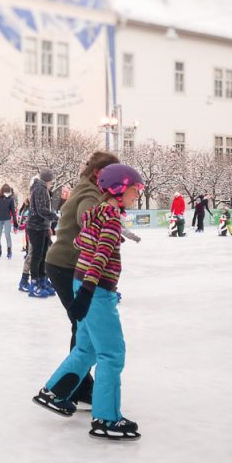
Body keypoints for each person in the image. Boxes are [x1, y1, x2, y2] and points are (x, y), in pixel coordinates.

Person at [32, 163, 145, 441]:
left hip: (82, 282)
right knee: (112, 353)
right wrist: (89, 291)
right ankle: (107, 418)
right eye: (135, 190)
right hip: (96, 290)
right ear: (119, 190)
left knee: (87, 348)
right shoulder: (109, 217)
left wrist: (83, 286)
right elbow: (100, 256)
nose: (137, 196)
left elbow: (80, 243)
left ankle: (56, 392)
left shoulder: (96, 213)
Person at [45, 150, 119, 408]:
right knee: (83, 325)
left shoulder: (85, 188)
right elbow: (88, 222)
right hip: (67, 266)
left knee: (83, 326)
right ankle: (74, 387)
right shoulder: (90, 194)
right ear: (100, 173)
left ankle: (76, 385)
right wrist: (109, 223)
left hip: (62, 263)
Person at [27, 170, 59, 297]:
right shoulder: (40, 189)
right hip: (36, 226)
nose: (52, 183)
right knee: (37, 255)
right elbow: (41, 210)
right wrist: (54, 217)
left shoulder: (42, 189)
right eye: (51, 181)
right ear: (47, 180)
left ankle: (42, 279)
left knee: (43, 254)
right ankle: (34, 283)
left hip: (42, 226)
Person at [0, 184, 17, 259]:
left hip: (7, 219)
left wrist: (15, 221)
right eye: (6, 191)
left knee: (7, 235)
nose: (7, 193)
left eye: (8, 191)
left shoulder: (11, 199)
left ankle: (9, 251)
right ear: (3, 191)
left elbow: (12, 210)